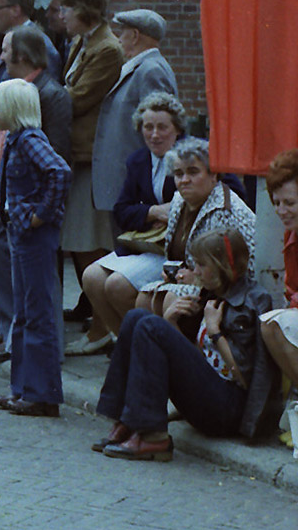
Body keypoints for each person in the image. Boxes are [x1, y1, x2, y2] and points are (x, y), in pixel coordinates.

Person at [93, 228, 275, 461]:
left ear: (221, 266)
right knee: (136, 318)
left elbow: (245, 377)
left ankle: (153, 437)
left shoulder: (252, 300)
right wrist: (171, 321)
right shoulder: (212, 294)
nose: (195, 271)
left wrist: (215, 331)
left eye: (201, 265)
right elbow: (199, 361)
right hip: (211, 394)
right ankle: (126, 421)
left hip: (230, 410)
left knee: (151, 326)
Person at [0, 25, 73, 362]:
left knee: (40, 280)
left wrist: (41, 212)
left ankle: (47, 348)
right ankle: (13, 338)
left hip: (31, 210)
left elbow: (58, 160)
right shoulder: (8, 89)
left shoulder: (52, 94)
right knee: (8, 270)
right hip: (7, 198)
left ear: (22, 55)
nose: (1, 56)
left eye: (6, 50)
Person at [0, 78, 71, 418]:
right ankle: (24, 388)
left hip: (33, 236)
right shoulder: (19, 139)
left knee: (36, 312)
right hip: (22, 233)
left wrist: (41, 215)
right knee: (25, 312)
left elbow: (59, 171)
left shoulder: (30, 140)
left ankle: (41, 393)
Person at [80, 93, 188, 345]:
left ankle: (147, 346)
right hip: (145, 244)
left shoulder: (191, 156)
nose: (154, 134)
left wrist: (172, 210)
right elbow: (121, 210)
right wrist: (153, 211)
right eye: (148, 127)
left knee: (117, 285)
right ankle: (125, 344)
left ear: (177, 129)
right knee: (91, 277)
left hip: (175, 251)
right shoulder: (138, 160)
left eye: (163, 127)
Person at [57, 0, 123, 321]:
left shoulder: (107, 50)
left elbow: (78, 99)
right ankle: (95, 308)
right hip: (76, 155)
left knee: (88, 238)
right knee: (78, 237)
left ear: (85, 9)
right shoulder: (82, 43)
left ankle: (103, 318)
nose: (61, 14)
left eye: (67, 7)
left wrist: (35, 93)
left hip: (89, 158)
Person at [136, 137, 256, 318]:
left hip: (226, 296)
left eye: (193, 172)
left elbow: (248, 272)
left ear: (213, 175)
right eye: (178, 174)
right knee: (144, 300)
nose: (184, 180)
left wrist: (199, 279)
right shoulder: (179, 200)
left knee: (173, 299)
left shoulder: (227, 210)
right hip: (187, 281)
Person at [91, 9, 178, 215]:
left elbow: (159, 132)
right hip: (128, 185)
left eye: (123, 33)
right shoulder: (141, 68)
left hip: (136, 189)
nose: (119, 40)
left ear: (136, 35)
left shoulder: (151, 70)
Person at [259, 149, 298, 396]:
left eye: (290, 203)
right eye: (276, 203)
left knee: (277, 324)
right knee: (271, 324)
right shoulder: (291, 234)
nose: (281, 210)